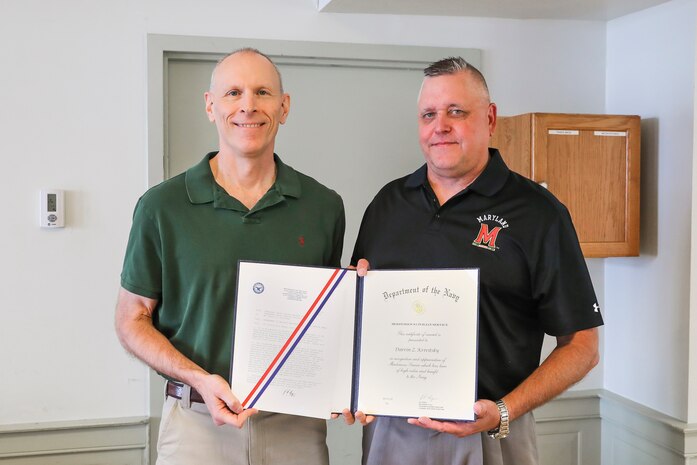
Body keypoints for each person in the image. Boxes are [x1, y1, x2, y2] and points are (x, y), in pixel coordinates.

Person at [346, 57, 603, 465]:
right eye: (428, 114)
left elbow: (583, 347)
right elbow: (357, 314)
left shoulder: (539, 214)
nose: (440, 126)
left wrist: (505, 410)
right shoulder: (386, 204)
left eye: (456, 112)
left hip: (492, 432)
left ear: (490, 118)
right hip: (391, 432)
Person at [115, 48, 345, 465]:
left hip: (294, 425)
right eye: (233, 93)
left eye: (262, 92)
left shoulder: (323, 206)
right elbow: (131, 319)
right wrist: (199, 380)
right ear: (210, 106)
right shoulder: (161, 207)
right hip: (196, 425)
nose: (248, 106)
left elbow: (327, 319)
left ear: (284, 106)